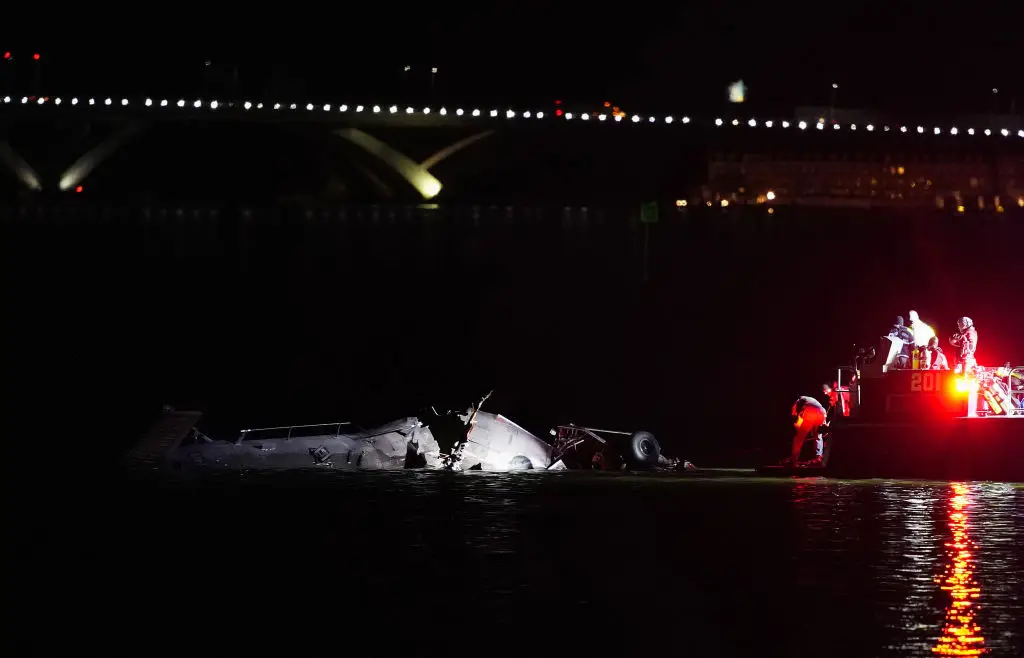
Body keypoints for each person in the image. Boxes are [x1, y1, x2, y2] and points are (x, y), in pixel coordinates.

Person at [783, 395, 827, 466]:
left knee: (799, 438)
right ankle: (819, 458)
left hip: (811, 411)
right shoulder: (809, 400)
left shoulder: (798, 402)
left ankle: (794, 458)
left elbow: (796, 419)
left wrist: (800, 432)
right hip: (822, 412)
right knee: (818, 436)